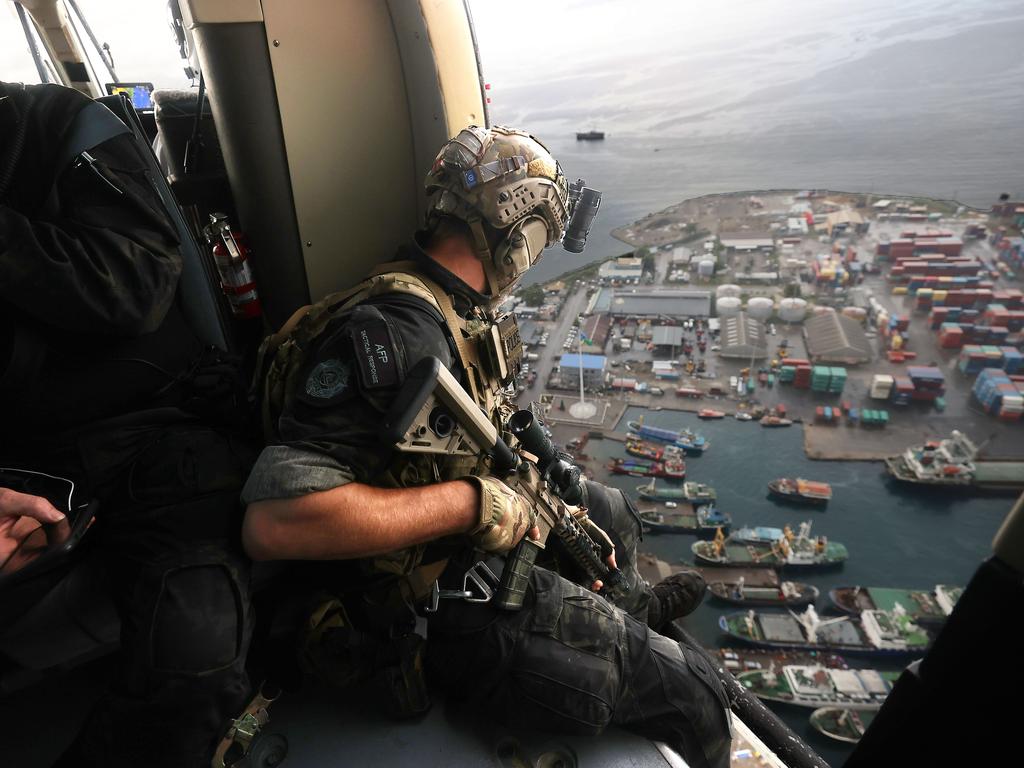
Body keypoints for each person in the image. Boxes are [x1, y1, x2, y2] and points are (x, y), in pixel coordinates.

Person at [242, 125, 730, 767]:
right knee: (699, 700)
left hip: (449, 550)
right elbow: (275, 523)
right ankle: (634, 637)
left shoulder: (449, 304)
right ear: (516, 234)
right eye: (539, 239)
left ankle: (630, 608)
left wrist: (541, 497)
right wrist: (477, 505)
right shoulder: (399, 334)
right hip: (413, 602)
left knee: (609, 512)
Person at [0, 81, 255, 767]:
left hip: (156, 435)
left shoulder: (57, 124)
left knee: (194, 657)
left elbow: (132, 286)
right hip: (18, 465)